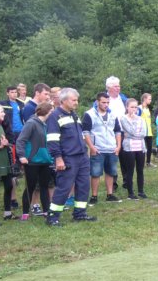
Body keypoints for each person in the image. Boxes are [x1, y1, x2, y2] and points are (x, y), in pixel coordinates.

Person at [45, 88, 96, 226]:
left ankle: (80, 213)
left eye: (77, 100)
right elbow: (52, 140)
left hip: (82, 156)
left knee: (84, 185)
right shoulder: (55, 116)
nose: (76, 102)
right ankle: (53, 217)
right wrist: (58, 158)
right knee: (64, 187)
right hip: (68, 158)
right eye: (73, 100)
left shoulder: (73, 115)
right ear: (64, 100)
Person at [16, 102, 54, 220]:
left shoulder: (46, 124)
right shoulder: (31, 123)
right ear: (46, 112)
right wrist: (22, 155)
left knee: (44, 186)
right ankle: (25, 213)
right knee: (30, 187)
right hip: (32, 161)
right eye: (51, 111)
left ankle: (46, 211)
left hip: (45, 160)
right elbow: (21, 140)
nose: (52, 113)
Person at [83, 92, 122, 204]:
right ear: (97, 102)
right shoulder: (89, 114)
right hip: (98, 148)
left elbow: (117, 131)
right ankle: (94, 196)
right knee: (95, 173)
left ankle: (110, 194)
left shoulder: (113, 114)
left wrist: (118, 146)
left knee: (111, 172)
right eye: (103, 102)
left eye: (108, 102)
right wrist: (91, 147)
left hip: (112, 148)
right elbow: (85, 132)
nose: (106, 105)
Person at [119, 98, 147, 200]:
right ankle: (130, 193)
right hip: (129, 147)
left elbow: (143, 133)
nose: (134, 109)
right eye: (132, 107)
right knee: (130, 170)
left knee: (140, 170)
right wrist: (135, 133)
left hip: (140, 147)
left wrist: (134, 134)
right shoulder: (123, 118)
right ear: (127, 107)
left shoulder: (141, 119)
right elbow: (130, 131)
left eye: (135, 107)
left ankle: (141, 191)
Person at [140, 93, 155, 167]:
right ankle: (141, 162)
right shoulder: (139, 108)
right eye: (149, 99)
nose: (150, 100)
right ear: (144, 99)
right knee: (142, 147)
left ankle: (148, 162)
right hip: (142, 132)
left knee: (149, 147)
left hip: (149, 132)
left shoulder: (147, 109)